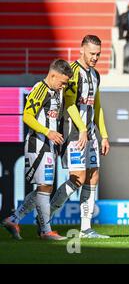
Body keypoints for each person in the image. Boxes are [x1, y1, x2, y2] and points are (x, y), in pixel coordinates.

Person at [1, 59, 73, 240]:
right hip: (38, 144)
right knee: (45, 187)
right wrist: (47, 132)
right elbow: (27, 116)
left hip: (49, 145)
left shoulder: (57, 92)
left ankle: (13, 219)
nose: (63, 86)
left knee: (45, 187)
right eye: (62, 82)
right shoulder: (40, 89)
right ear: (53, 74)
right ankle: (45, 231)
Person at [50, 35, 111, 239]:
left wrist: (104, 135)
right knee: (78, 178)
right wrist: (82, 128)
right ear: (82, 50)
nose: (95, 57)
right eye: (92, 53)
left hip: (91, 133)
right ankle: (46, 216)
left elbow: (97, 106)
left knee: (93, 176)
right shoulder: (73, 72)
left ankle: (86, 228)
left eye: (98, 54)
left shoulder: (95, 74)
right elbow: (69, 104)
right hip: (75, 132)